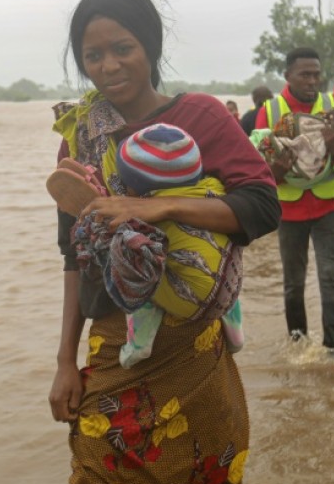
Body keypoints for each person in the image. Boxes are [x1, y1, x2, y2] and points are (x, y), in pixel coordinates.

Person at [48, 0, 281, 484]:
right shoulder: (80, 136)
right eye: (93, 56)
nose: (109, 66)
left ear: (149, 46)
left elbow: (263, 205)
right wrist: (65, 361)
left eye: (122, 48)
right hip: (114, 350)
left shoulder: (200, 116)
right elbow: (73, 255)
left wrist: (162, 206)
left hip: (193, 351)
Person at [48, 123, 246, 369]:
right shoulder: (214, 192)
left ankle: (139, 345)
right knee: (219, 256)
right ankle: (235, 334)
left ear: (136, 187)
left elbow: (131, 258)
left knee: (139, 270)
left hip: (190, 302)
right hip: (228, 288)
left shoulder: (146, 215)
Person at [254, 46, 334, 355]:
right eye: (305, 75)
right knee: (293, 284)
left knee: (330, 278)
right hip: (289, 211)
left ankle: (333, 352)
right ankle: (298, 347)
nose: (312, 81)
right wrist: (277, 170)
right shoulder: (270, 111)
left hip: (327, 208)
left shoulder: (332, 106)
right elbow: (258, 165)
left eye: (316, 75)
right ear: (287, 75)